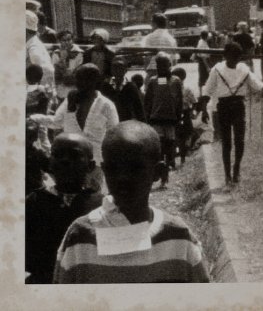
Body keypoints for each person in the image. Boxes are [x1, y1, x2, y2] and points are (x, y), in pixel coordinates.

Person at [53, 121, 210, 283]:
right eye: (114, 168)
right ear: (104, 170)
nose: (123, 178)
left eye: (135, 168)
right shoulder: (80, 237)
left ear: (157, 172)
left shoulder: (178, 239)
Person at [25, 133, 103, 284]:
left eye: (75, 155)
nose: (65, 160)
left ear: (90, 166)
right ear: (50, 162)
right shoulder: (33, 202)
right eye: (58, 155)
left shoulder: (100, 204)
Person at [30, 64, 120, 192]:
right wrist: (34, 118)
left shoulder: (106, 105)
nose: (77, 83)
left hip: (94, 165)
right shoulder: (70, 101)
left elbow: (113, 136)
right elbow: (56, 122)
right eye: (77, 78)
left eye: (82, 79)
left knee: (91, 200)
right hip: (69, 161)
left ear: (94, 81)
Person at [205, 42, 263, 187]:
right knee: (226, 142)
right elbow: (207, 90)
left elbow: (257, 84)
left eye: (237, 58)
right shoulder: (217, 69)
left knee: (240, 140)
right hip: (224, 107)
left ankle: (236, 168)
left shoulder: (244, 69)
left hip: (239, 106)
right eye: (231, 58)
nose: (234, 61)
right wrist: (202, 109)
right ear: (225, 56)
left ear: (240, 58)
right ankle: (227, 174)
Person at [144, 53, 183, 178]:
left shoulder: (175, 81)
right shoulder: (153, 81)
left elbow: (179, 101)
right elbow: (148, 100)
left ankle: (169, 164)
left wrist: (179, 115)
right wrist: (147, 116)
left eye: (165, 65)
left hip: (171, 118)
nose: (162, 68)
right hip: (156, 118)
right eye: (159, 65)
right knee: (159, 145)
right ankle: (161, 170)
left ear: (170, 65)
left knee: (170, 144)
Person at [101, 58, 146, 122]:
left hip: (126, 123)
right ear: (111, 70)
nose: (118, 71)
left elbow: (138, 108)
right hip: (109, 121)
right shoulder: (105, 86)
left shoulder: (131, 87)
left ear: (125, 70)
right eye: (115, 68)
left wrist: (143, 125)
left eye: (121, 68)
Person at [143, 13, 178, 85]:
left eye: (151, 23)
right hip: (166, 72)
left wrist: (146, 69)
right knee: (162, 89)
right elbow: (174, 61)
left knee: (149, 91)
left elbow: (147, 57)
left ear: (155, 24)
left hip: (153, 71)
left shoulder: (149, 37)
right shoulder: (171, 39)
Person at [171, 67, 197, 165]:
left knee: (181, 136)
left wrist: (191, 111)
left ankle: (181, 157)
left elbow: (194, 102)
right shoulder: (171, 88)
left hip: (182, 113)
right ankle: (177, 158)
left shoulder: (186, 89)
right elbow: (194, 102)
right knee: (178, 136)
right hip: (177, 114)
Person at [26, 9, 55, 92]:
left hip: (36, 97)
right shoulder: (29, 45)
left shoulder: (34, 49)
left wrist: (39, 91)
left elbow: (47, 71)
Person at [52, 30, 84, 104]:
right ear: (59, 41)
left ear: (72, 40)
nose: (66, 42)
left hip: (74, 86)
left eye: (69, 40)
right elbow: (55, 71)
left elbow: (79, 69)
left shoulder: (79, 53)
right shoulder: (56, 54)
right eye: (63, 40)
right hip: (61, 86)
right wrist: (62, 59)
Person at [26, 64, 52, 154]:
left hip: (26, 123)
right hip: (38, 122)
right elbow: (43, 112)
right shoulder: (42, 91)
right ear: (40, 78)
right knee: (44, 143)